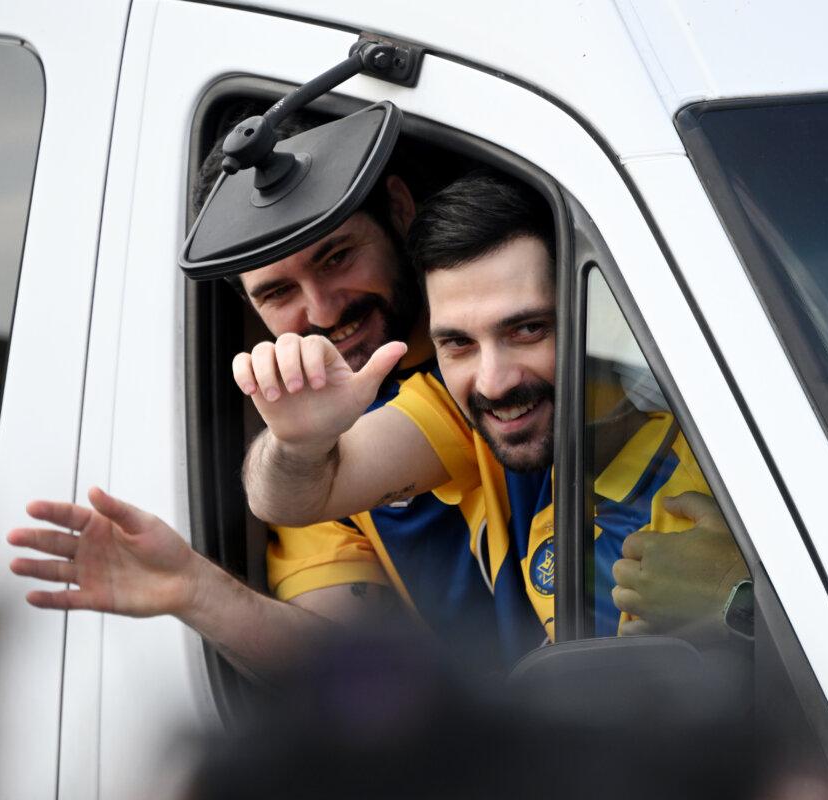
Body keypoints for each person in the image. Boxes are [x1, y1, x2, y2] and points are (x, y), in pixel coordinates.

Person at [7, 111, 510, 679]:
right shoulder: (319, 429)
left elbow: (303, 487)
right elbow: (348, 675)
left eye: (337, 256)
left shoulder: (491, 362)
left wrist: (301, 448)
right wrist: (194, 591)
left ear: (398, 210)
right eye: (277, 292)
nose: (322, 310)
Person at [237, 170, 747, 647]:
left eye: (528, 330)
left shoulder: (736, 457)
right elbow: (296, 497)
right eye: (458, 343)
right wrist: (299, 442)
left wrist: (744, 604)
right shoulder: (469, 414)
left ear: (600, 313)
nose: (494, 381)